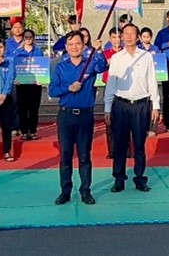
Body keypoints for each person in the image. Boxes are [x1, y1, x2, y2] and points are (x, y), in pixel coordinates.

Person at [49, 31, 110, 206]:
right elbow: (52, 90)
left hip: (85, 115)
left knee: (84, 155)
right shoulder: (60, 67)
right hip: (66, 115)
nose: (74, 47)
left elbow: (103, 67)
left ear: (83, 45)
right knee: (66, 156)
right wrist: (68, 88)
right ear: (66, 47)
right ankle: (65, 191)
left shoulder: (90, 63)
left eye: (77, 43)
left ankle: (85, 191)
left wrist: (99, 50)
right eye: (70, 44)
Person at [103, 23, 161, 193]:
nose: (129, 37)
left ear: (138, 37)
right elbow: (111, 84)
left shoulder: (146, 56)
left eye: (132, 33)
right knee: (120, 144)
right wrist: (107, 107)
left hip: (141, 105)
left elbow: (152, 81)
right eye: (125, 33)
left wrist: (155, 105)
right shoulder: (116, 58)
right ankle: (119, 178)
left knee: (139, 143)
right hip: (121, 105)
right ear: (121, 36)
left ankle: (140, 178)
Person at [14, 29, 43, 140]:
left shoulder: (38, 51)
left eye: (30, 37)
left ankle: (33, 130)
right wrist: (15, 79)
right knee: (22, 108)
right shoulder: (18, 52)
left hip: (35, 84)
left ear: (33, 38)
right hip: (21, 84)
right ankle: (24, 131)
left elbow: (42, 67)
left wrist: (42, 79)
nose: (28, 39)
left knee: (34, 108)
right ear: (23, 38)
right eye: (26, 37)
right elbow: (14, 66)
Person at [102, 27, 122, 158]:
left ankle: (126, 149)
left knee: (124, 121)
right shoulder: (105, 53)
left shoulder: (126, 53)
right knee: (110, 120)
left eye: (119, 37)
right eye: (114, 37)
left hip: (123, 88)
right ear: (110, 39)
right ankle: (112, 150)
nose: (117, 40)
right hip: (109, 87)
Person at [139, 27, 162, 136]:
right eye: (144, 36)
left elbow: (160, 62)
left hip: (153, 78)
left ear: (151, 37)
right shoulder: (138, 49)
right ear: (140, 37)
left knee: (154, 102)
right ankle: (142, 126)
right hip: (141, 79)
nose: (146, 38)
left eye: (148, 36)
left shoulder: (155, 49)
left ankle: (153, 127)